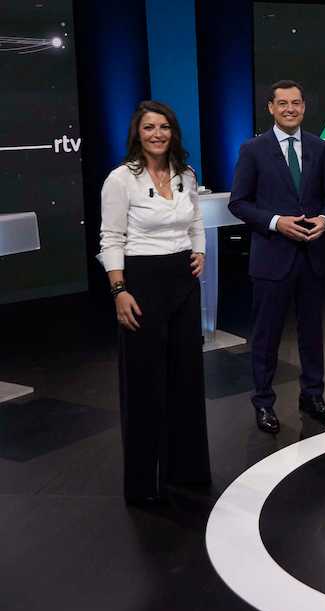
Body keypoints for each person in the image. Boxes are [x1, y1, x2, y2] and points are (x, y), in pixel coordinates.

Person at [97, 100, 210, 504]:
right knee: (145, 383)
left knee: (186, 378)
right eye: (149, 128)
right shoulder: (120, 179)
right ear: (138, 134)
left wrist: (199, 251)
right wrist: (118, 290)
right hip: (140, 283)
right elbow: (111, 237)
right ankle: (143, 483)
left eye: (164, 127)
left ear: (173, 132)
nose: (157, 134)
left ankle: (187, 469)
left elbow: (195, 221)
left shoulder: (185, 174)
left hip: (183, 281)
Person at [229, 80, 325, 434]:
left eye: (296, 103)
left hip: (312, 256)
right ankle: (263, 402)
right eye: (282, 103)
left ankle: (313, 395)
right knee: (266, 336)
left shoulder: (321, 148)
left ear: (304, 107)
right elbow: (239, 202)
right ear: (271, 109)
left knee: (312, 334)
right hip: (271, 258)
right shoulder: (253, 149)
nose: (290, 108)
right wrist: (276, 222)